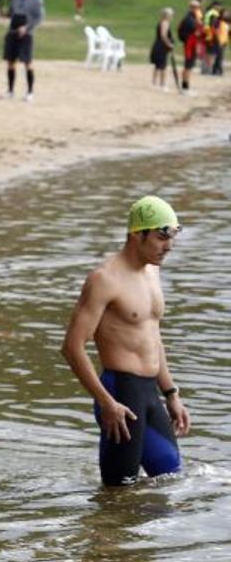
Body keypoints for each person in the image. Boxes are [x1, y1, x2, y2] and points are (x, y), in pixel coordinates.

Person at [61, 196, 189, 487]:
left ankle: (142, 534)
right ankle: (104, 533)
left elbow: (152, 336)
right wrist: (106, 403)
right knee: (117, 491)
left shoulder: (152, 271)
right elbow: (72, 347)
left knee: (170, 479)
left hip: (150, 393)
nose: (168, 247)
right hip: (120, 394)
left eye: (171, 238)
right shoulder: (104, 279)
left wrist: (171, 394)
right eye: (160, 238)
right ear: (136, 234)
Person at [2, 0, 43, 102]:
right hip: (13, 31)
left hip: (27, 33)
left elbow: (39, 18)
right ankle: (10, 91)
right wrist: (5, 14)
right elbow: (11, 12)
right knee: (10, 61)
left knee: (27, 62)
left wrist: (27, 28)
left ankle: (30, 92)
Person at [178, 0, 203, 94]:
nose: (198, 9)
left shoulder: (192, 18)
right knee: (188, 66)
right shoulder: (189, 19)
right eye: (197, 7)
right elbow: (194, 32)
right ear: (192, 8)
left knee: (189, 66)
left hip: (191, 45)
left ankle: (186, 86)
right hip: (189, 46)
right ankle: (185, 88)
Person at [151, 8, 175, 90]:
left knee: (158, 65)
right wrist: (169, 44)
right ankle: (163, 84)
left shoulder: (161, 22)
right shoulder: (165, 23)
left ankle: (154, 83)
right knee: (163, 66)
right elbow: (163, 35)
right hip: (161, 46)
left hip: (158, 44)